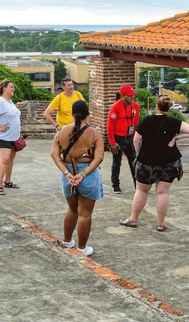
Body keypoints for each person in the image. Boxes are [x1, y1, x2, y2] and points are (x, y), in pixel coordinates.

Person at [119, 95, 189, 231]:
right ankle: (160, 224)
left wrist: (139, 154)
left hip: (147, 161)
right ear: (169, 107)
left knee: (141, 191)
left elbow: (136, 140)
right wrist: (175, 138)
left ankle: (133, 219)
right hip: (168, 162)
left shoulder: (147, 120)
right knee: (162, 193)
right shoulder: (173, 121)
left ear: (157, 106)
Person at [51, 100, 104, 257]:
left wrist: (67, 173)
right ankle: (82, 247)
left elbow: (54, 154)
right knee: (85, 214)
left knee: (72, 209)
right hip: (88, 174)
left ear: (72, 114)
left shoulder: (61, 132)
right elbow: (99, 157)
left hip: (68, 174)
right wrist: (83, 174)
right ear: (88, 114)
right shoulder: (94, 133)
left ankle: (67, 241)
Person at [0, 79, 22, 196]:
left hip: (13, 136)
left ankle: (8, 181)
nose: (13, 89)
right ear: (4, 88)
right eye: (11, 87)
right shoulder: (0, 101)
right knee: (5, 159)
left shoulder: (10, 102)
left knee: (11, 158)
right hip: (3, 136)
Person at [106, 85, 140, 194]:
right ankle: (115, 185)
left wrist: (136, 138)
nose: (132, 98)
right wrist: (112, 142)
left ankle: (138, 184)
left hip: (130, 138)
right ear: (123, 96)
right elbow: (110, 126)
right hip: (118, 139)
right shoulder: (115, 107)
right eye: (129, 96)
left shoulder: (135, 106)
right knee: (117, 162)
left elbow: (136, 123)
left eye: (133, 95)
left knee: (134, 161)